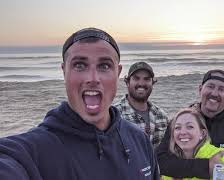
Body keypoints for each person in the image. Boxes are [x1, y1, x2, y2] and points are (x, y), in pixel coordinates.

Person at [0, 27, 159, 180]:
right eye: (80, 65)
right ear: (64, 72)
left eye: (104, 66)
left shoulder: (139, 140)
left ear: (117, 73)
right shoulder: (37, 149)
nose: (93, 78)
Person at [156, 69, 224, 179]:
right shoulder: (181, 122)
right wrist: (205, 167)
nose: (214, 93)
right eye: (210, 86)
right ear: (200, 89)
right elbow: (160, 161)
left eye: (221, 89)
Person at [162, 108, 224, 180]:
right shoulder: (170, 161)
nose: (182, 132)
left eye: (190, 127)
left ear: (202, 133)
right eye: (177, 128)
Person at [114, 61, 169, 148]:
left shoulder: (161, 116)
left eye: (147, 79)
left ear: (152, 83)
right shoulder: (114, 115)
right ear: (127, 82)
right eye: (136, 78)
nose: (141, 83)